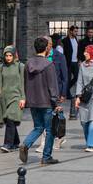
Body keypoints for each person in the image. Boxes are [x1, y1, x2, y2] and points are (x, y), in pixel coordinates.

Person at [22, 36, 61, 165]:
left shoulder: (28, 63)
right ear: (46, 49)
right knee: (49, 130)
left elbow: (25, 83)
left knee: (38, 127)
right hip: (46, 102)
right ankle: (46, 156)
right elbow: (52, 86)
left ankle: (26, 144)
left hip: (33, 101)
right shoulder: (49, 64)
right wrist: (55, 102)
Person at [0, 46, 26, 154]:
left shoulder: (20, 66)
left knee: (11, 117)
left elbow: (22, 83)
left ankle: (7, 144)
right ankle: (15, 142)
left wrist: (23, 98)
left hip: (16, 97)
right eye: (6, 55)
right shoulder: (1, 67)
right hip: (4, 97)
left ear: (14, 55)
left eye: (10, 55)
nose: (8, 58)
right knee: (8, 120)